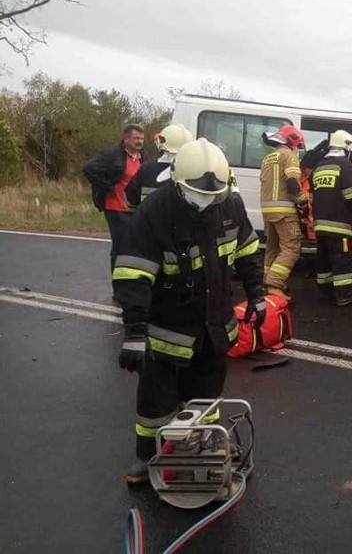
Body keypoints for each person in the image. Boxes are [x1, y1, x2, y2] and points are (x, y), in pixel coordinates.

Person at [112, 138, 265, 484]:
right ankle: (145, 455)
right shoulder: (155, 212)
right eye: (199, 194)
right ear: (178, 183)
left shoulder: (230, 205)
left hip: (215, 326)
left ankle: (201, 449)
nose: (206, 202)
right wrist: (134, 333)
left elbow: (248, 252)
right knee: (157, 401)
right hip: (168, 330)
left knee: (206, 398)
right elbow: (132, 275)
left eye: (215, 195)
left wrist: (258, 294)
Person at [310, 129, 352, 306]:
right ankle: (344, 295)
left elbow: (312, 195)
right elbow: (350, 194)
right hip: (339, 224)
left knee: (324, 259)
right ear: (346, 147)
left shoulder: (319, 166)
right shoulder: (344, 164)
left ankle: (325, 294)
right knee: (342, 261)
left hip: (320, 224)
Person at [83, 123, 146, 272]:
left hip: (135, 208)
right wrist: (107, 187)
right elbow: (89, 168)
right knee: (121, 244)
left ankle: (130, 275)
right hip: (116, 207)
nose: (140, 142)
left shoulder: (143, 157)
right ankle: (118, 279)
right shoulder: (112, 154)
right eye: (136, 138)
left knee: (135, 243)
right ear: (125, 139)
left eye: (142, 139)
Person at [259, 123, 309, 298]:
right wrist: (304, 202)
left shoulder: (268, 157)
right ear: (292, 142)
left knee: (272, 248)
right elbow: (293, 184)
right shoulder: (289, 156)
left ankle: (267, 285)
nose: (297, 149)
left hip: (268, 211)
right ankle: (275, 285)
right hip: (284, 211)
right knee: (291, 248)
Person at [125, 123, 194, 209]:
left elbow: (130, 201)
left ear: (161, 143)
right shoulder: (194, 172)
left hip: (148, 220)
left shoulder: (146, 169)